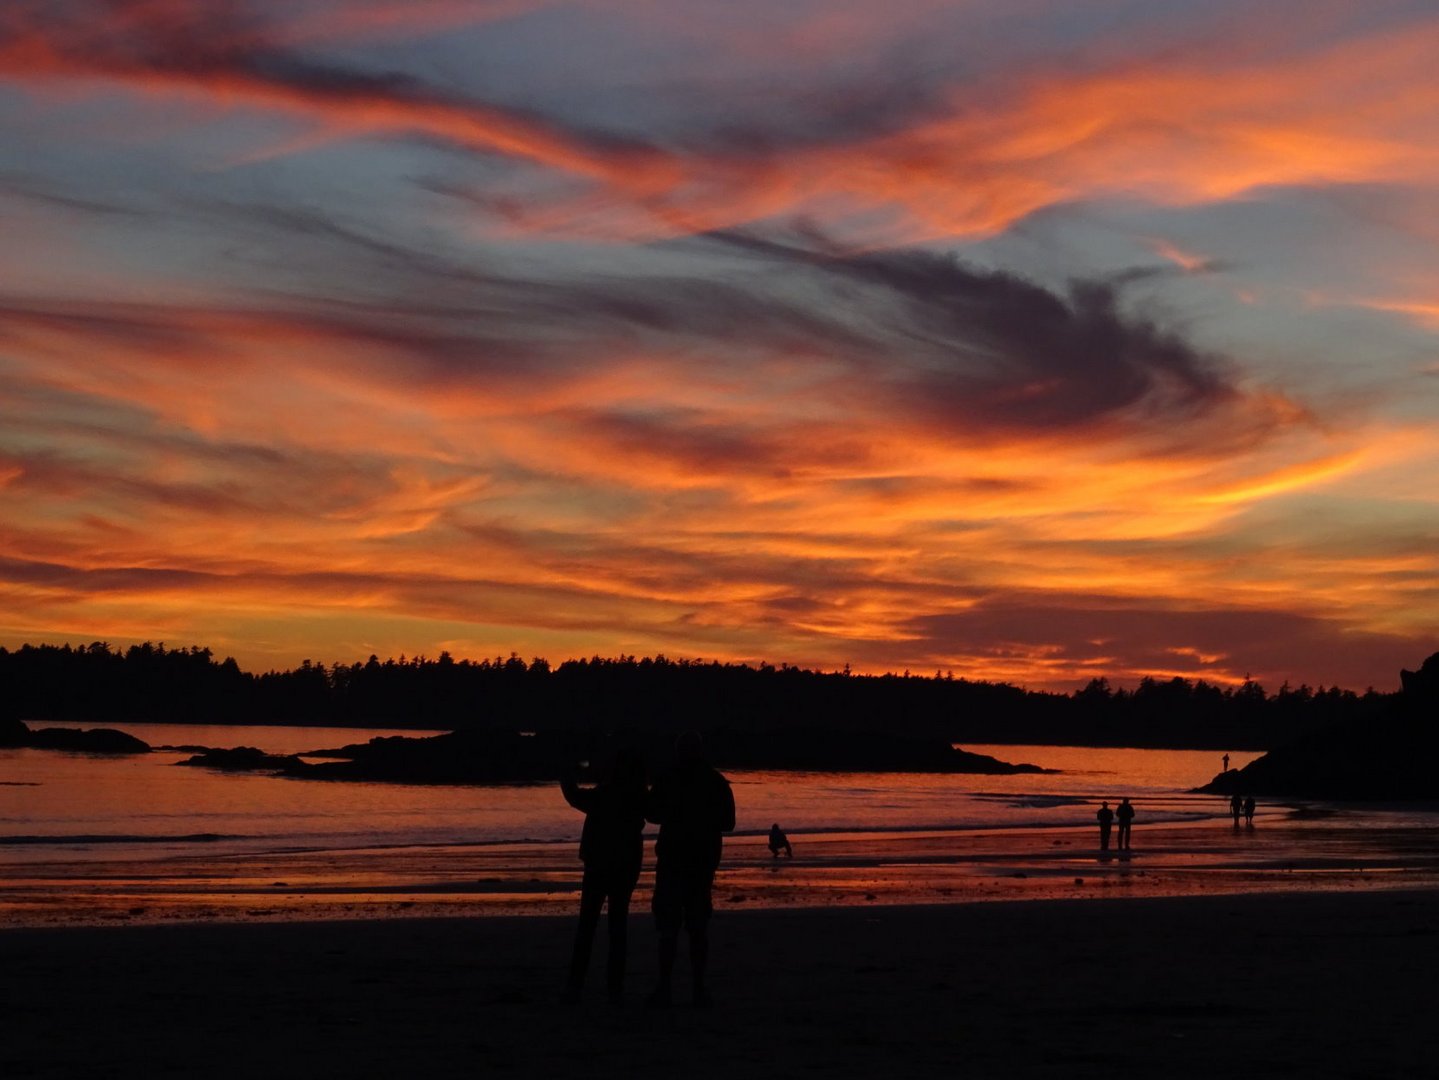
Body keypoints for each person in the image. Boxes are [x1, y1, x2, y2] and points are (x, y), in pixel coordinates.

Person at [646, 731, 736, 1008]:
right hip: (702, 861)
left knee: (669, 928)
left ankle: (665, 988)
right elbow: (728, 823)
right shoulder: (716, 782)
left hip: (674, 860)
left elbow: (652, 814)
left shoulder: (667, 779)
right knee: (697, 928)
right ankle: (697, 988)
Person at [560, 746, 648, 1004]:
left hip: (599, 864)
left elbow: (575, 797)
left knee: (588, 925)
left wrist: (568, 774)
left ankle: (576, 985)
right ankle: (614, 988)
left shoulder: (608, 794)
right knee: (617, 925)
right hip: (627, 863)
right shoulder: (637, 795)